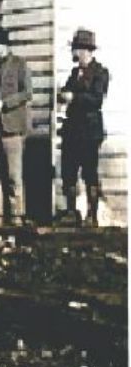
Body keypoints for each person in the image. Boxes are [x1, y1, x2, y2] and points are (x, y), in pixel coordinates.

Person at [0, 26, 33, 224]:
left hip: (12, 127)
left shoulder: (19, 65)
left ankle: (17, 215)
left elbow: (27, 93)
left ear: (5, 45)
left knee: (13, 174)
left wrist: (4, 104)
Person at [56, 28, 110, 227]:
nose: (75, 54)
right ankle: (71, 212)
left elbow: (96, 100)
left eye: (77, 49)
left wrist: (73, 97)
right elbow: (66, 92)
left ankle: (92, 215)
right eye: (74, 49)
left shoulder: (100, 73)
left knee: (89, 173)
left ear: (87, 51)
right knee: (68, 172)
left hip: (89, 131)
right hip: (71, 131)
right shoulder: (74, 73)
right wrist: (62, 94)